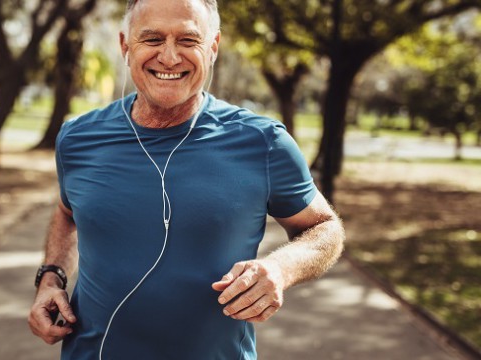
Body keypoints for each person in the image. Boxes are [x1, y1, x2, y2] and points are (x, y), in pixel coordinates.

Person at [28, 0, 345, 358]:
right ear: (124, 45)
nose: (169, 57)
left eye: (188, 40)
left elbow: (325, 228)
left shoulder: (263, 142)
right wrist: (50, 278)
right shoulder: (78, 139)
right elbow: (68, 212)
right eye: (152, 39)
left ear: (212, 48)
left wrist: (280, 268)